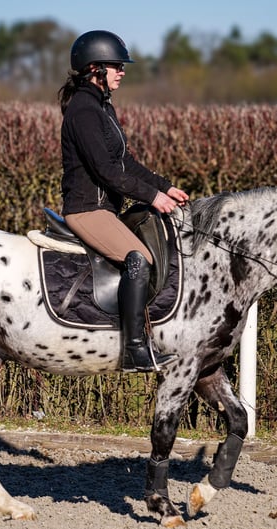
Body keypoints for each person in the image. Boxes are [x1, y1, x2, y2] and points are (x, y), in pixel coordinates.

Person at [57, 30, 190, 373]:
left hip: (105, 209)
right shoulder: (83, 111)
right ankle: (133, 348)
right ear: (94, 69)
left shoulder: (103, 107)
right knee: (139, 258)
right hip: (86, 209)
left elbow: (125, 163)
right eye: (116, 65)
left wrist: (164, 187)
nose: (122, 71)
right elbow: (106, 172)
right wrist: (152, 196)